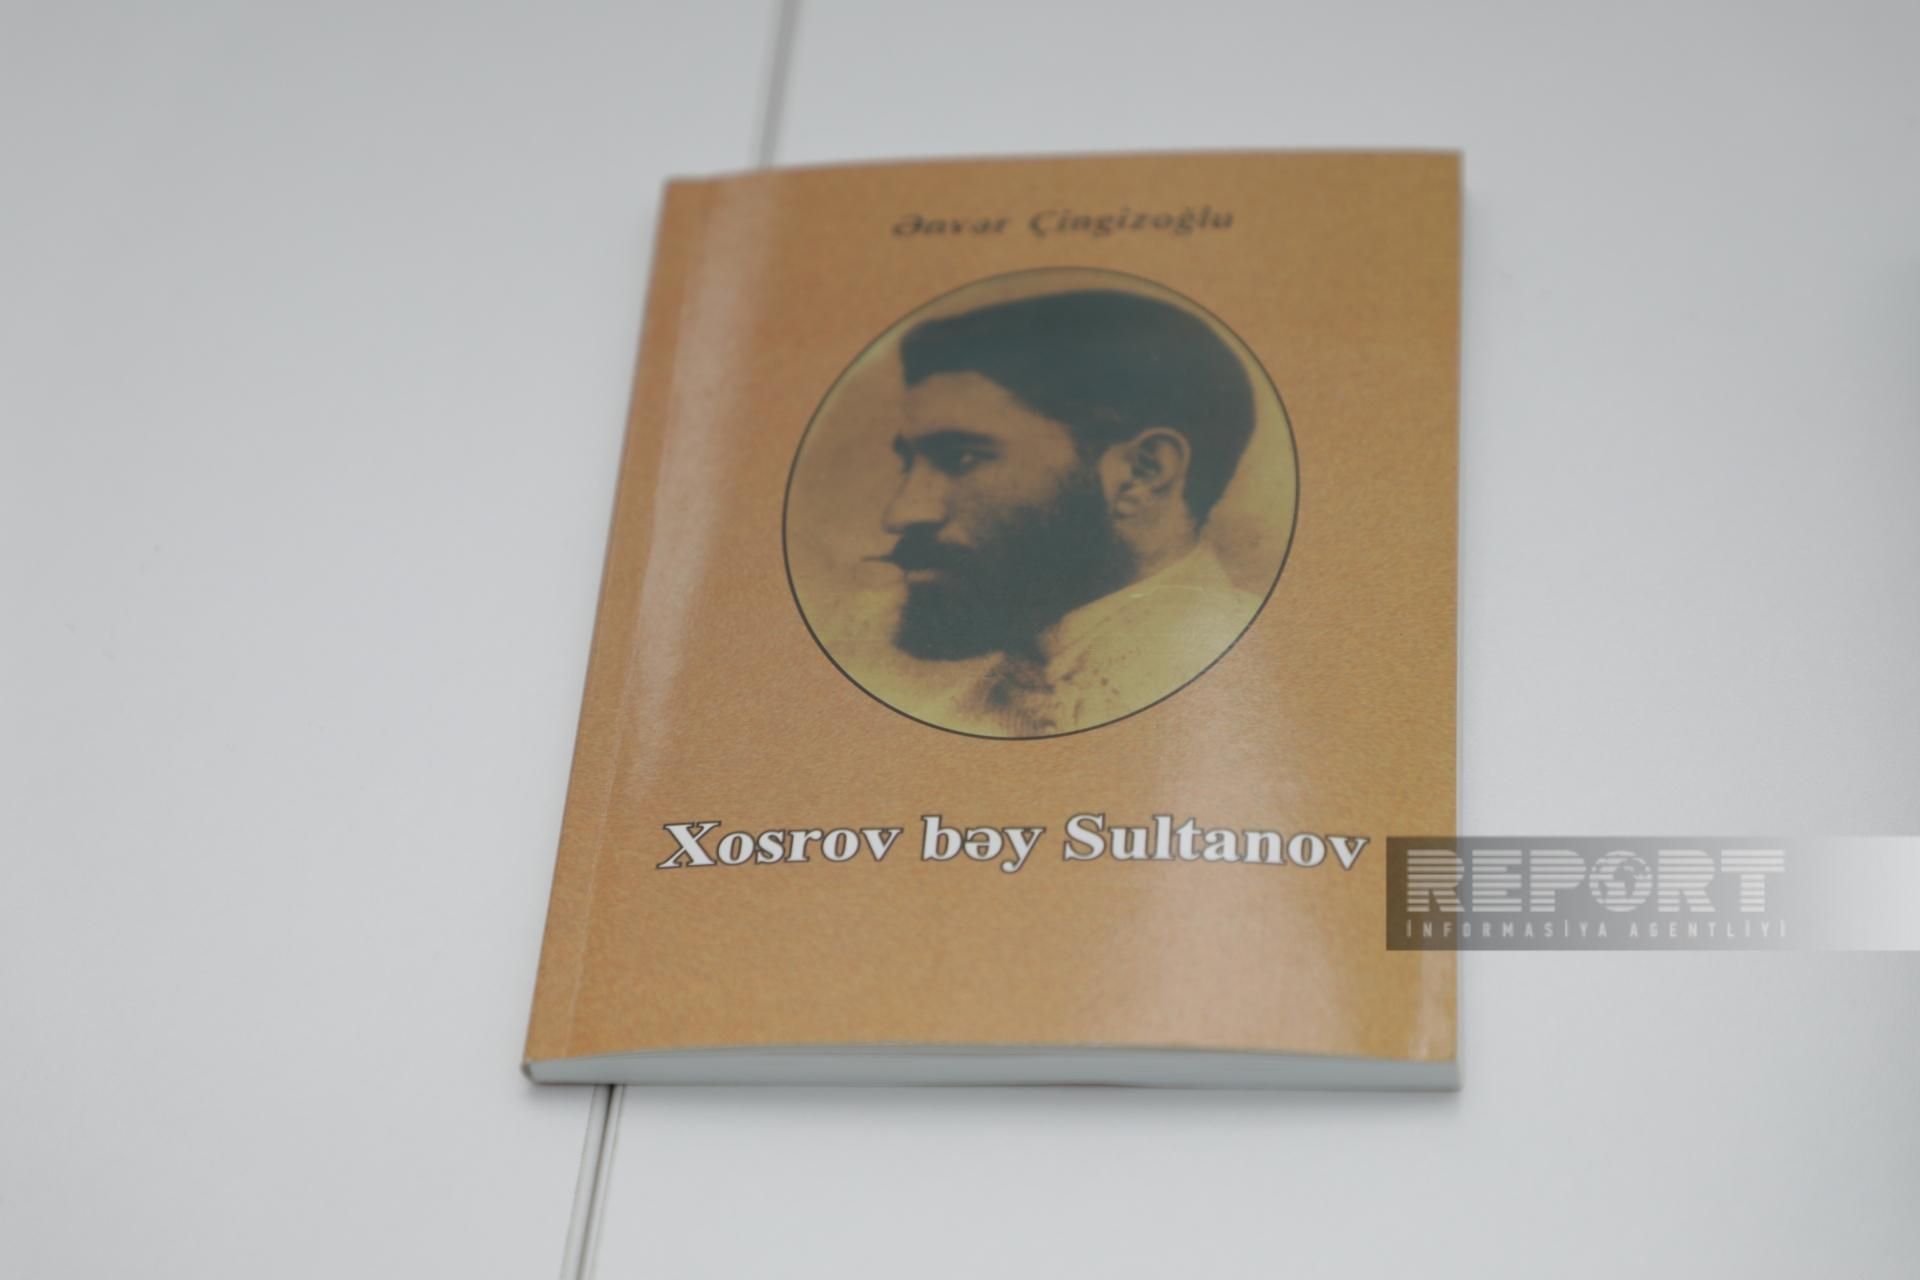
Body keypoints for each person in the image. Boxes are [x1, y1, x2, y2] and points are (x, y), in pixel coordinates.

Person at [875, 288, 1263, 736]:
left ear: (1142, 473)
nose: (900, 514)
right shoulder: (954, 715)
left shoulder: (1264, 686)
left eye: (961, 458)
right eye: (908, 464)